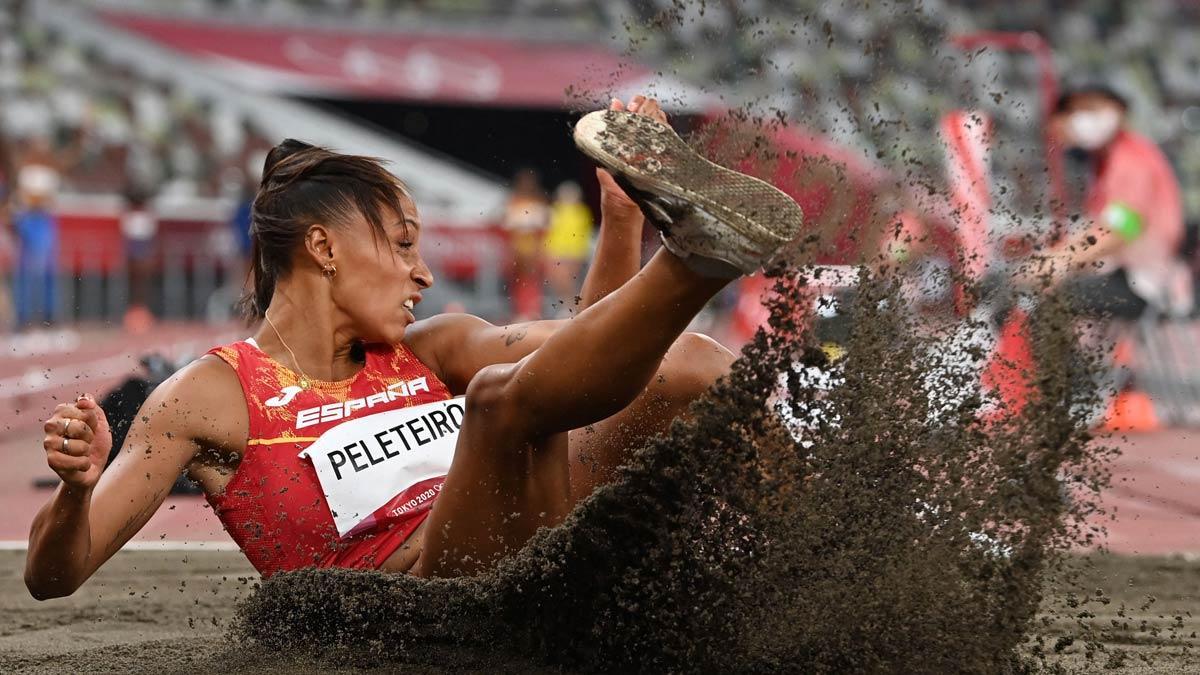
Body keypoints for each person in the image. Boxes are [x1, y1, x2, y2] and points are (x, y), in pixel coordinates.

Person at [26, 95, 802, 595]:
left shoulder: (434, 347)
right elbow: (54, 575)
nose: (422, 273)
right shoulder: (210, 393)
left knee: (691, 363)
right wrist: (75, 489)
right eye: (401, 245)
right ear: (325, 249)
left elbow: (592, 360)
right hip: (424, 612)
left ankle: (825, 558)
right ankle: (698, 259)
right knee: (500, 400)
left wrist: (622, 218)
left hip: (543, 552)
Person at [1037, 84, 1189, 318]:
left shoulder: (1131, 161)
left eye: (1091, 108)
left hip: (1143, 283)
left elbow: (1120, 231)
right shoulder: (1106, 162)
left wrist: (1058, 260)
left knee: (1041, 300)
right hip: (1127, 275)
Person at [502, 168, 550, 321]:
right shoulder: (513, 201)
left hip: (533, 246)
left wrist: (539, 249)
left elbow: (544, 228)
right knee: (518, 280)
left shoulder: (539, 200)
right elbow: (508, 228)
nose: (526, 185)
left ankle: (532, 310)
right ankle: (520, 311)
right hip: (518, 246)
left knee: (533, 279)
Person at [544, 181, 595, 314]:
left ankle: (571, 307)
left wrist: (579, 254)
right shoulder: (555, 210)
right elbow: (550, 231)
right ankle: (565, 306)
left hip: (572, 253)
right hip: (557, 251)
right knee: (558, 281)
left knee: (568, 281)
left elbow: (582, 234)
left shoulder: (581, 212)